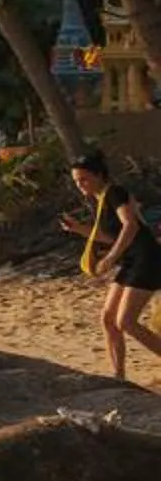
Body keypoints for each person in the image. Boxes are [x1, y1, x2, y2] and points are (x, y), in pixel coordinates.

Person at [62, 150, 161, 380]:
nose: (80, 185)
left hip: (147, 258)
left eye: (84, 179)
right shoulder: (100, 200)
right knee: (108, 318)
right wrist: (78, 229)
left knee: (126, 321)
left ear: (99, 175)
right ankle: (118, 375)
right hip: (132, 260)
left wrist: (110, 257)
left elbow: (131, 226)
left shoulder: (115, 193)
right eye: (76, 181)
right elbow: (110, 237)